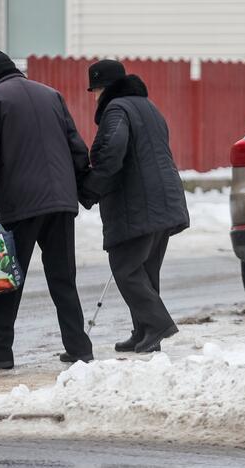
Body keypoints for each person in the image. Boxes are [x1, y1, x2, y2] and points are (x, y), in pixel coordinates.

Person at [0, 49, 93, 370]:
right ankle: (79, 348)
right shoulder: (52, 95)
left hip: (20, 205)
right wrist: (85, 191)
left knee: (4, 279)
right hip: (61, 204)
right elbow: (77, 147)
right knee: (63, 279)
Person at [80, 60, 190, 354]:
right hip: (165, 199)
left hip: (138, 201)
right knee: (146, 269)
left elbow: (111, 151)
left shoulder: (116, 110)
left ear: (103, 89)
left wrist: (90, 188)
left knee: (126, 268)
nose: (94, 96)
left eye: (95, 90)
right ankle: (143, 332)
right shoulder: (148, 107)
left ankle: (157, 324)